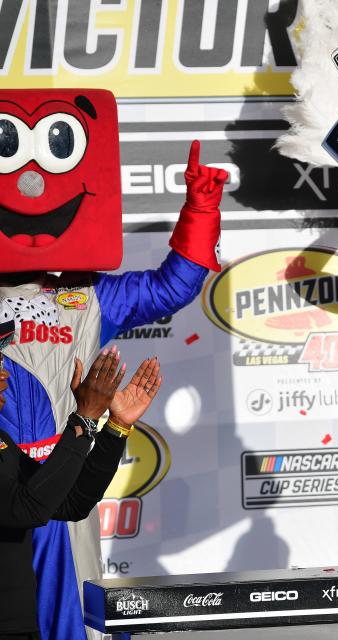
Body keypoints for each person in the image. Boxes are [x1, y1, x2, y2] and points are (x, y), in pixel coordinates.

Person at [0, 137, 226, 640]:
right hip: (1, 486)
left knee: (69, 626)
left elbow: (174, 287)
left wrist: (201, 208)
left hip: (60, 486)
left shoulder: (86, 295)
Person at [0, 348, 162, 640]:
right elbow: (25, 509)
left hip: (20, 625)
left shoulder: (1, 440)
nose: (4, 376)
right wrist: (84, 419)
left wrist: (116, 427)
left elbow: (72, 502)